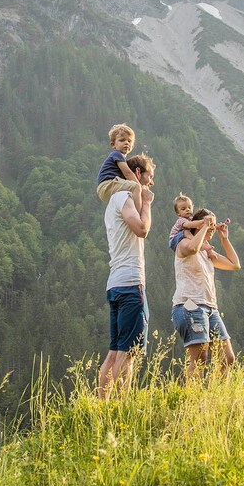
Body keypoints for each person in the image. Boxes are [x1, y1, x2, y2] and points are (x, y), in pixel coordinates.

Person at [98, 153, 155, 398]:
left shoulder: (113, 201)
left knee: (114, 351)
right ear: (138, 174)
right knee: (128, 353)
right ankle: (121, 408)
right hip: (131, 283)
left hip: (115, 285)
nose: (151, 183)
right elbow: (142, 229)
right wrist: (148, 204)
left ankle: (101, 406)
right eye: (149, 177)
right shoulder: (123, 197)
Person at [171, 208, 240, 380]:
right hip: (188, 304)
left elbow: (234, 264)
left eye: (212, 225)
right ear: (198, 224)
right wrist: (204, 227)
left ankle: (215, 398)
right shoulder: (183, 245)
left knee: (227, 358)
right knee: (200, 359)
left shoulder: (208, 252)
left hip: (210, 308)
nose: (211, 229)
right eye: (208, 224)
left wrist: (224, 239)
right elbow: (193, 248)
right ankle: (195, 402)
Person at [96, 124, 141, 203]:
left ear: (132, 146)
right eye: (122, 140)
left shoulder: (123, 159)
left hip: (108, 187)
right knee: (136, 187)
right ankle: (139, 214)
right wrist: (140, 187)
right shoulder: (117, 154)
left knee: (128, 196)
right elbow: (127, 173)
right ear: (113, 145)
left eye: (129, 141)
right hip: (108, 185)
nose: (126, 143)